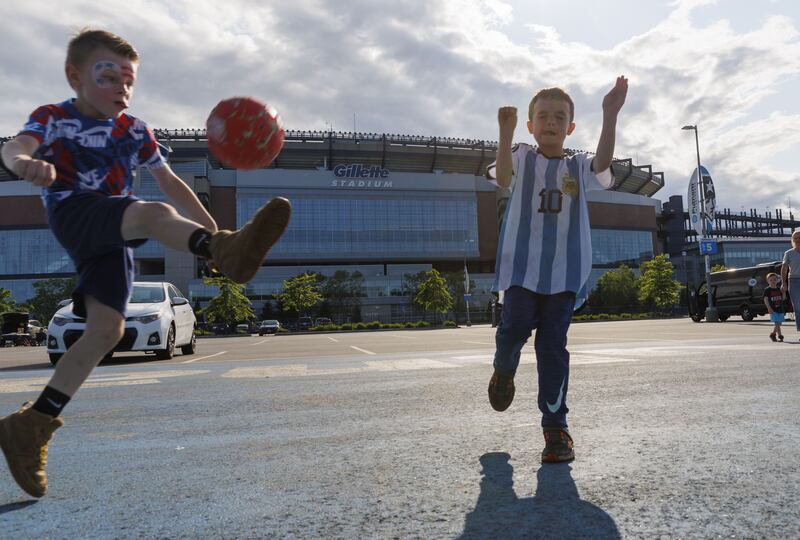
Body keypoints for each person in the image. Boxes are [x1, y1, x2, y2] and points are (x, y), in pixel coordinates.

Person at [0, 29, 291, 498]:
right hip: (76, 214)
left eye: (129, 81)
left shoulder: (135, 129)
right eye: (109, 76)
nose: (122, 88)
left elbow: (173, 183)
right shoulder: (53, 118)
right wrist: (23, 164)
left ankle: (31, 424)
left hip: (111, 237)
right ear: (75, 76)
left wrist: (216, 233)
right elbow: (14, 147)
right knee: (151, 214)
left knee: (106, 332)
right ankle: (222, 250)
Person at [485, 76, 628, 463]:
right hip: (520, 270)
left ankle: (556, 428)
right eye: (543, 116)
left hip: (565, 273)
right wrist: (504, 132)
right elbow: (501, 179)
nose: (551, 122)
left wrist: (610, 113)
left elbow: (602, 166)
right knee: (513, 328)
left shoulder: (578, 166)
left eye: (559, 117)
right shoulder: (519, 155)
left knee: (552, 347)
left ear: (570, 127)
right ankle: (504, 367)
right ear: (530, 125)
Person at [781, 230, 800, 339]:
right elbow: (784, 269)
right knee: (798, 308)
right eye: (796, 238)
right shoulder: (788, 253)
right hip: (794, 281)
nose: (798, 240)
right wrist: (784, 283)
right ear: (793, 240)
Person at [763, 273, 785, 342]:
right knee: (777, 323)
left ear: (777, 280)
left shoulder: (779, 289)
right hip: (773, 309)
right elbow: (765, 299)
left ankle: (773, 334)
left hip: (780, 309)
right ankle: (780, 336)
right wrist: (769, 307)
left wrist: (783, 292)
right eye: (771, 280)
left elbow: (783, 298)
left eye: (774, 279)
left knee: (779, 323)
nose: (773, 281)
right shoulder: (767, 290)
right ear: (768, 281)